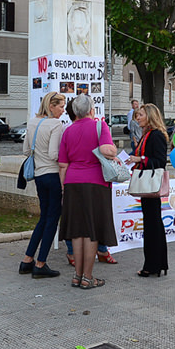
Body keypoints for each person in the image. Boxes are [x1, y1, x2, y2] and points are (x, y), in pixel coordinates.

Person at [58, 94, 119, 289]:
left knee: (77, 231)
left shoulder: (68, 131)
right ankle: (88, 277)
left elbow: (62, 165)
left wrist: (64, 188)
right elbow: (108, 150)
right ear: (92, 110)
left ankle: (77, 275)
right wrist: (113, 152)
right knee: (92, 231)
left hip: (72, 183)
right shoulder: (100, 126)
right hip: (95, 183)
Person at [18, 92, 66, 279]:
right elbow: (54, 154)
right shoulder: (55, 124)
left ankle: (27, 259)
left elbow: (25, 150)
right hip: (52, 175)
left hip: (38, 175)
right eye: (61, 106)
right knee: (52, 219)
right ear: (51, 106)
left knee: (43, 218)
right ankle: (41, 263)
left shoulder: (32, 122)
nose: (63, 110)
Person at [127, 103, 169, 277]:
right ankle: (155, 264)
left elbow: (160, 161)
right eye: (137, 115)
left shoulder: (156, 135)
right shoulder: (147, 135)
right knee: (152, 224)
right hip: (147, 186)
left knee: (153, 225)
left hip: (151, 185)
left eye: (141, 115)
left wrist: (140, 159)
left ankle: (153, 265)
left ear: (150, 116)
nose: (137, 118)